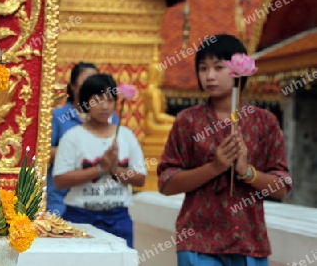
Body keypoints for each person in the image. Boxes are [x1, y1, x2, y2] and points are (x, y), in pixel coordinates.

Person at [157, 34, 292, 266]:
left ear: (238, 72)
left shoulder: (265, 122)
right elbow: (167, 183)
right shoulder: (187, 121)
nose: (209, 76)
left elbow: (281, 188)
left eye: (219, 67)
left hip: (249, 240)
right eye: (203, 68)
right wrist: (214, 167)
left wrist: (247, 171)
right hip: (197, 241)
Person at [53, 73, 146, 248]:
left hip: (118, 218)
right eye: (97, 100)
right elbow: (60, 180)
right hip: (80, 217)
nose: (104, 106)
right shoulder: (73, 137)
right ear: (86, 102)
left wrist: (115, 170)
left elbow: (140, 178)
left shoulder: (126, 136)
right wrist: (100, 169)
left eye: (110, 100)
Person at [47, 62, 118, 216]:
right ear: (73, 87)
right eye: (85, 83)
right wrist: (77, 151)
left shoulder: (112, 119)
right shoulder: (59, 117)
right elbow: (42, 152)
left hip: (98, 197)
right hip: (61, 198)